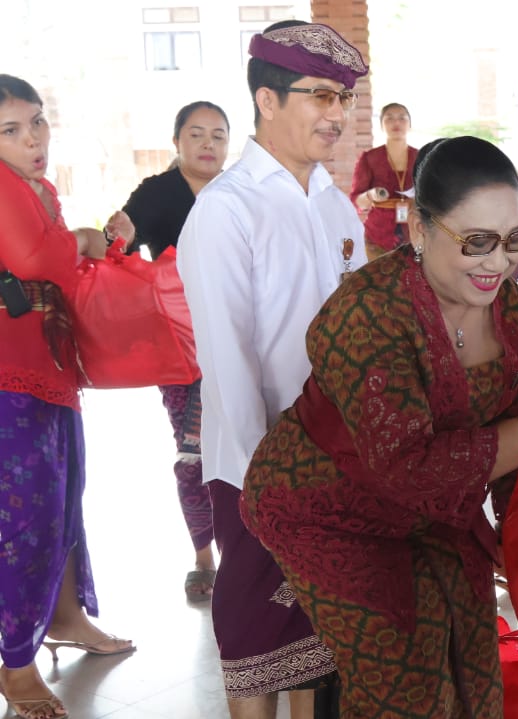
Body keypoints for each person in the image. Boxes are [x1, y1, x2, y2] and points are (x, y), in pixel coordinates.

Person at [240, 136, 518, 717]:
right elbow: (410, 467)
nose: (498, 263)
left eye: (515, 239)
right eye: (477, 242)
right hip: (327, 509)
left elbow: (509, 426)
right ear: (420, 230)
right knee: (407, 685)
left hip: (434, 507)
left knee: (474, 662)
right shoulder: (369, 313)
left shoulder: (508, 306)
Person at [176, 20, 368, 719]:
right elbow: (227, 360)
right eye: (321, 96)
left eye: (344, 99)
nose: (338, 115)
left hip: (340, 456)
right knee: (257, 626)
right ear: (267, 98)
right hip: (263, 466)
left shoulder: (333, 202)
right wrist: (269, 475)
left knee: (325, 637)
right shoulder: (226, 210)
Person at [0, 74, 134, 719]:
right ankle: (15, 665)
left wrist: (100, 241)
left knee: (62, 504)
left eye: (37, 122)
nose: (33, 140)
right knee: (24, 520)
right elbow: (31, 259)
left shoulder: (38, 189)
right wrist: (79, 239)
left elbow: (62, 267)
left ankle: (66, 615)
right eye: (11, 130)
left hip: (46, 371)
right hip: (7, 380)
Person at [122, 100, 230, 602]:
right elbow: (125, 233)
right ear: (177, 142)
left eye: (217, 135)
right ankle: (202, 555)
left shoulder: (239, 192)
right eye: (196, 134)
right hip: (179, 347)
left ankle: (247, 549)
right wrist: (117, 230)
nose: (208, 144)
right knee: (192, 454)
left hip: (237, 339)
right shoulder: (157, 192)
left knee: (244, 446)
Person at [351, 103, 417, 261]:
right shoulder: (370, 158)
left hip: (415, 231)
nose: (396, 123)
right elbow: (356, 200)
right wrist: (370, 196)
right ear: (381, 125)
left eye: (402, 118)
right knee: (378, 282)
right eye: (390, 118)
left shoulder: (421, 157)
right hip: (378, 234)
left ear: (410, 124)